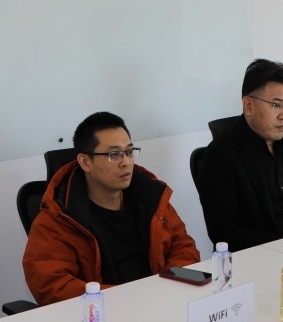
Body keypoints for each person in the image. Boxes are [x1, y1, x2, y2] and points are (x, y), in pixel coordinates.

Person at [22, 112, 200, 305]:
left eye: (129, 152)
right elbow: (52, 286)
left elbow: (183, 246)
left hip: (161, 302)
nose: (126, 162)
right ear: (85, 162)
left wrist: (169, 286)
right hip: (103, 314)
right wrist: (129, 299)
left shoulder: (151, 197)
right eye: (114, 155)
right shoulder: (58, 218)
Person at [197, 58, 283, 251]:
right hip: (263, 256)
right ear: (248, 105)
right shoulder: (220, 155)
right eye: (276, 105)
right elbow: (225, 232)